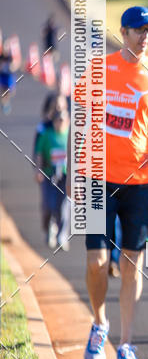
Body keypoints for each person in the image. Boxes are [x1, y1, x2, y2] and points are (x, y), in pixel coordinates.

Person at [72, 6, 148, 359]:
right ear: (123, 32)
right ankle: (99, 322)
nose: (145, 36)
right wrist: (75, 171)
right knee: (97, 262)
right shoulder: (98, 69)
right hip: (98, 178)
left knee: (133, 264)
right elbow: (81, 121)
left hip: (143, 183)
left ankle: (126, 344)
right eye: (138, 30)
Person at [35, 107, 70, 251]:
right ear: (54, 122)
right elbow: (39, 154)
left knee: (64, 206)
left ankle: (62, 236)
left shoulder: (72, 136)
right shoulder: (47, 135)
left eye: (63, 120)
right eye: (58, 120)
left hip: (66, 176)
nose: (61, 123)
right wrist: (38, 170)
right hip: (50, 174)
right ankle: (49, 228)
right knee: (48, 204)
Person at [0, 44, 17, 114]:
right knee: (3, 91)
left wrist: (12, 67)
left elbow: (14, 65)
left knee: (10, 91)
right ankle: (5, 103)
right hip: (3, 75)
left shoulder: (10, 57)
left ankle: (6, 102)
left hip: (9, 76)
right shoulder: (1, 57)